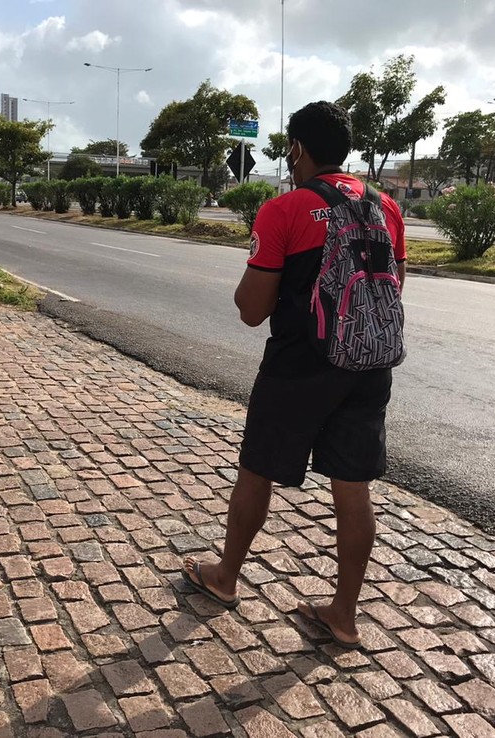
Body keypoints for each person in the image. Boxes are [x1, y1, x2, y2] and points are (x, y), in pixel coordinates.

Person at [181, 101, 407, 650]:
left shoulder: (286, 209)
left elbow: (252, 309)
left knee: (257, 469)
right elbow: (394, 290)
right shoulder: (387, 209)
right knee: (352, 487)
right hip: (370, 365)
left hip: (300, 366)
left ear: (299, 148)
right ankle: (343, 615)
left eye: (289, 146)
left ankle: (225, 577)